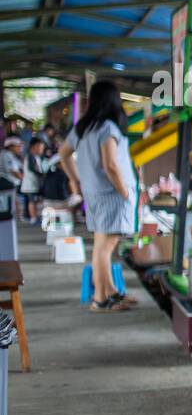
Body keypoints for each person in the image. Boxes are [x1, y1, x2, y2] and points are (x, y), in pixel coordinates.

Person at [59, 81, 139, 312]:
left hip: (93, 194)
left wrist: (76, 180)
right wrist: (124, 191)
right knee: (105, 247)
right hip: (111, 194)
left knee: (101, 246)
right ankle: (102, 299)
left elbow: (63, 154)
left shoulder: (83, 128)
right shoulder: (108, 129)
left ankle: (109, 292)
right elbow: (111, 164)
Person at [19, 137, 48, 223]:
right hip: (30, 184)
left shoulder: (37, 157)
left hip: (34, 183)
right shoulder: (30, 156)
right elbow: (31, 168)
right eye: (40, 147)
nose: (42, 150)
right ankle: (33, 218)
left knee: (34, 201)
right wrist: (41, 174)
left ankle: (34, 216)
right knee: (32, 201)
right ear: (34, 147)